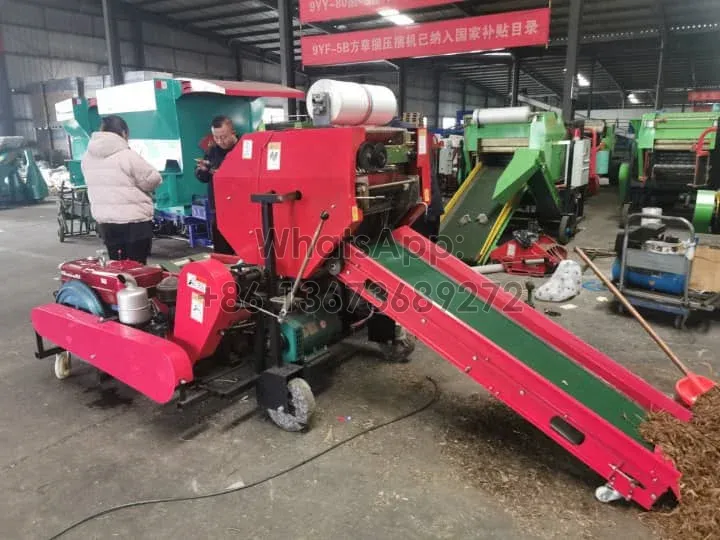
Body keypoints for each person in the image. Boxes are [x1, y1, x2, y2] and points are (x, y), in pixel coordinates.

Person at [81, 115, 162, 264]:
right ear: (123, 133)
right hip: (134, 223)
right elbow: (152, 179)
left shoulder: (87, 157)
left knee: (117, 266)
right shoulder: (128, 156)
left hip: (106, 223)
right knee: (137, 269)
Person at [195, 115, 238, 255]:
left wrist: (226, 174)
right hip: (218, 208)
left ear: (233, 132)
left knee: (240, 249)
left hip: (240, 206)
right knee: (222, 250)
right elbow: (203, 178)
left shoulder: (245, 147)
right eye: (216, 137)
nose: (220, 141)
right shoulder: (213, 151)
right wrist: (203, 171)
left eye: (224, 137)